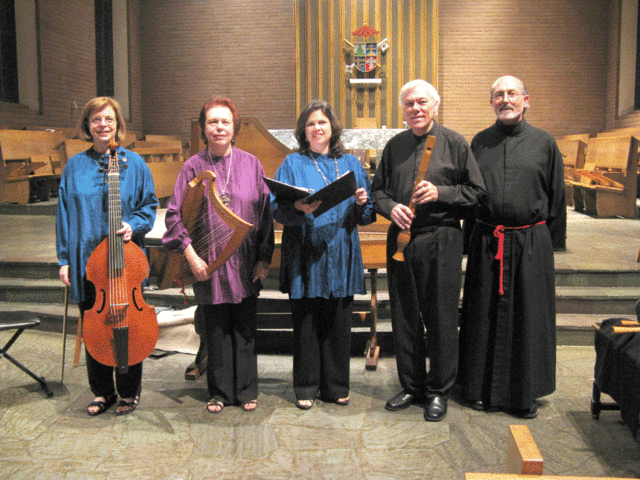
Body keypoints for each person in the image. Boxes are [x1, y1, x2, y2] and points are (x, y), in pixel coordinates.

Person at [371, 80, 486, 422]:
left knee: (441, 317)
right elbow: (378, 191)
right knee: (405, 316)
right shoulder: (395, 146)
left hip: (442, 238)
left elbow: (477, 192)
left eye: (422, 102)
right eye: (409, 104)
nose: (416, 109)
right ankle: (412, 386)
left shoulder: (455, 143)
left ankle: (438, 390)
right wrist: (391, 208)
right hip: (402, 240)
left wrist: (442, 193)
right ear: (403, 109)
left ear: (435, 105)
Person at [457, 75, 566, 419]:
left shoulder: (544, 143)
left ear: (526, 100)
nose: (506, 99)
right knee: (482, 316)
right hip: (488, 241)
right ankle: (479, 389)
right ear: (491, 102)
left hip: (530, 244)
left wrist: (549, 243)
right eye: (499, 95)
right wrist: (468, 240)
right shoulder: (479, 143)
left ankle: (524, 394)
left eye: (512, 94)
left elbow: (557, 196)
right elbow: (469, 193)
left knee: (528, 319)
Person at [162, 97, 274, 414]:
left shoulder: (252, 164)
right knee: (216, 330)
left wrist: (264, 257)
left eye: (225, 122)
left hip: (244, 262)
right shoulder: (192, 167)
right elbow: (173, 217)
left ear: (234, 127)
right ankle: (220, 392)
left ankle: (247, 389)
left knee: (244, 328)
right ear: (204, 128)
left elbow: (265, 214)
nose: (219, 127)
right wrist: (192, 256)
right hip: (208, 263)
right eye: (213, 122)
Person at [56, 97, 159, 416]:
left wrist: (133, 225)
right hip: (88, 262)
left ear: (118, 124)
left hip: (125, 263)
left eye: (109, 119)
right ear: (87, 125)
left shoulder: (135, 163)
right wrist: (64, 258)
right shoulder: (74, 165)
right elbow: (63, 214)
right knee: (95, 326)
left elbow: (149, 206)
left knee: (128, 324)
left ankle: (129, 391)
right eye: (96, 119)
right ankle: (102, 391)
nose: (103, 124)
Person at [271, 100, 375, 410]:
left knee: (338, 324)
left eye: (323, 123)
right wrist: (297, 208)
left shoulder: (351, 164)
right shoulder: (292, 163)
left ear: (332, 128)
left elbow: (366, 214)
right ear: (303, 131)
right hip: (304, 251)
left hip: (340, 250)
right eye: (311, 124)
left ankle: (336, 386)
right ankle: (305, 386)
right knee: (306, 324)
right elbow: (276, 209)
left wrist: (360, 201)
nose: (317, 128)